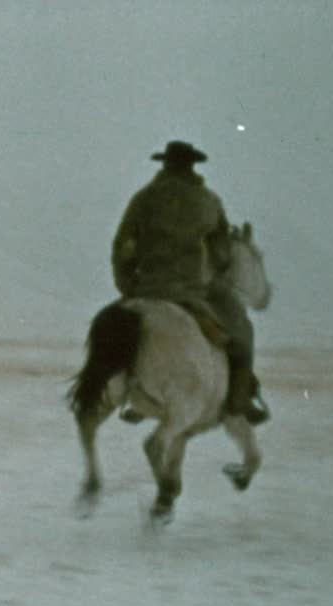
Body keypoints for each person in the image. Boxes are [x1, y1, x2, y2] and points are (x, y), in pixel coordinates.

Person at [111, 140, 269, 425]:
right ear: (192, 166)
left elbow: (122, 247)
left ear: (165, 165)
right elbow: (221, 255)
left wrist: (127, 287)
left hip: (146, 287)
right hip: (195, 290)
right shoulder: (208, 201)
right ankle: (239, 400)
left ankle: (127, 395)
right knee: (242, 331)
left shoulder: (144, 199)